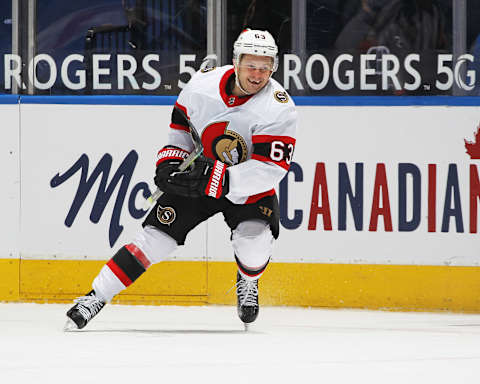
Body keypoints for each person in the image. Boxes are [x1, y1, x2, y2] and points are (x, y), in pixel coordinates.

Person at [64, 28, 298, 330]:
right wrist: (170, 161)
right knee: (153, 241)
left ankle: (248, 280)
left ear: (274, 68)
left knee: (253, 244)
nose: (257, 74)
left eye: (265, 68)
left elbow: (270, 169)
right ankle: (95, 296)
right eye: (251, 65)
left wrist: (220, 179)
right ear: (236, 61)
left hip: (244, 186)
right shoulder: (202, 86)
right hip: (198, 175)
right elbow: (180, 131)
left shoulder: (279, 108)